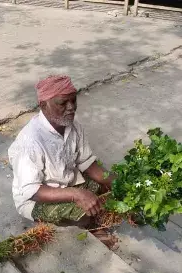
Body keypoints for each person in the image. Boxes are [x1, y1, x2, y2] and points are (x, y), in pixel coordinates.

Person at [8, 75, 115, 227]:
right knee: (83, 214)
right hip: (36, 199)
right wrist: (76, 194)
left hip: (68, 183)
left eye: (73, 100)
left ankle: (87, 209)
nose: (71, 107)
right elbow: (32, 191)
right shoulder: (30, 142)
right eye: (63, 103)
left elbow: (87, 163)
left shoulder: (74, 127)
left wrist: (119, 183)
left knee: (107, 185)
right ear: (43, 105)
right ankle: (93, 228)